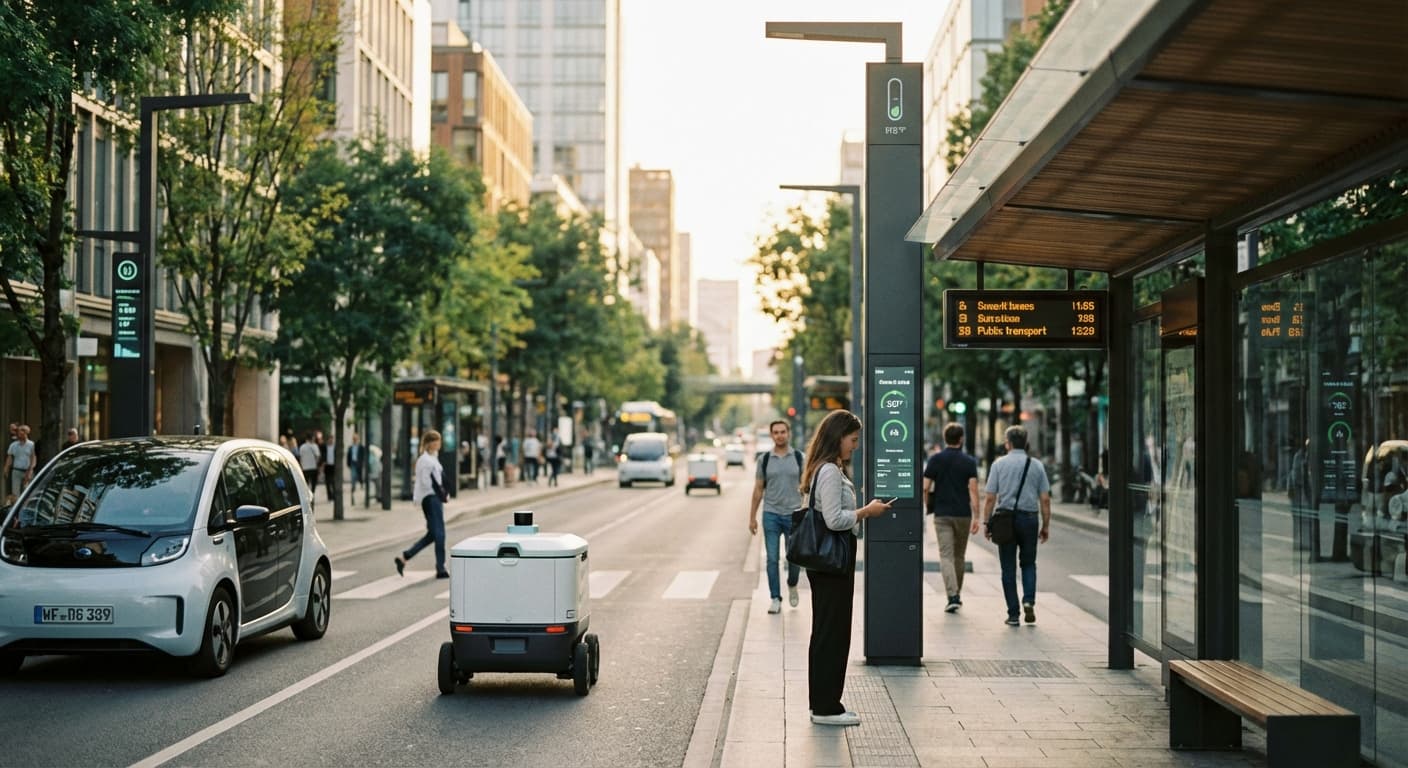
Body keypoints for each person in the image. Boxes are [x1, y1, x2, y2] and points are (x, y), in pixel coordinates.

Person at [800, 410, 892, 726]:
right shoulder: (827, 471)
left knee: (832, 629)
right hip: (831, 560)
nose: (854, 446)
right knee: (831, 631)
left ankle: (827, 702)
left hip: (832, 559)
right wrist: (867, 511)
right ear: (838, 437)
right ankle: (824, 707)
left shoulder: (829, 468)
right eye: (852, 440)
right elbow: (834, 519)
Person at [980, 426, 1052, 626]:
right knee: (1028, 563)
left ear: (1008, 443)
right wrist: (1045, 525)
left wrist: (987, 522)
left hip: (1005, 520)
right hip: (1029, 519)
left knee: (1008, 568)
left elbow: (990, 498)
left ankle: (1013, 614)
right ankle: (1029, 600)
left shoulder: (998, 464)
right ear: (1026, 443)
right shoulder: (1036, 465)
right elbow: (1045, 500)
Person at [921, 422, 981, 613]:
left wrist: (927, 504)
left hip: (942, 513)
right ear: (961, 439)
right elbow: (973, 489)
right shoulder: (969, 462)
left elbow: (925, 486)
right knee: (959, 556)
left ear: (945, 438)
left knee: (946, 555)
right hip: (963, 514)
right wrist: (977, 516)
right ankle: (957, 594)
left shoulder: (935, 459)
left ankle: (952, 595)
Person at [748, 419, 805, 614]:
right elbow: (758, 490)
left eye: (783, 432)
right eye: (776, 432)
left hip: (794, 515)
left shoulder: (799, 458)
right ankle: (775, 598)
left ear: (788, 433)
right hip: (770, 514)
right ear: (772, 435)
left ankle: (792, 583)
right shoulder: (764, 460)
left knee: (794, 558)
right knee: (772, 558)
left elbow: (807, 488)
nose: (779, 435)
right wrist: (752, 517)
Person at [395, 429, 450, 579]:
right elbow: (426, 482)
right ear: (431, 443)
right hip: (431, 499)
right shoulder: (425, 460)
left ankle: (405, 557)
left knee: (433, 534)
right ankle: (440, 568)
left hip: (434, 498)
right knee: (440, 533)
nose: (439, 443)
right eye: (437, 441)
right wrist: (439, 493)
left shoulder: (432, 458)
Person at [5, 424, 36, 497]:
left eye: (20, 432)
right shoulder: (13, 445)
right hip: (16, 471)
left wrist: (31, 470)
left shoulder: (32, 444)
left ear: (26, 433)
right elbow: (10, 457)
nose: (18, 434)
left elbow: (33, 457)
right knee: (15, 493)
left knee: (27, 493)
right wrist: (6, 468)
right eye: (18, 432)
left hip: (27, 471)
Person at [298, 432, 320, 497]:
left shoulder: (302, 447)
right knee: (313, 484)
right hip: (313, 468)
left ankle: (307, 496)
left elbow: (300, 457)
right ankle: (312, 495)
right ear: (312, 438)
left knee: (306, 484)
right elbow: (318, 456)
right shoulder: (315, 446)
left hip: (305, 468)